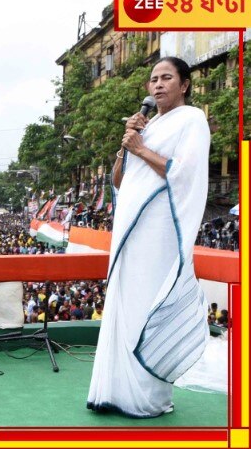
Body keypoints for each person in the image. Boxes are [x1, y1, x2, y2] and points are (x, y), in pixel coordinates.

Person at [88, 56, 211, 418]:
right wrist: (128, 145)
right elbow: (119, 181)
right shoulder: (148, 125)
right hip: (132, 231)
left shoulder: (193, 120)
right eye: (153, 79)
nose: (157, 85)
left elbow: (184, 173)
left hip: (160, 228)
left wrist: (141, 148)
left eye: (166, 78)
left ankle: (148, 399)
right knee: (127, 305)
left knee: (147, 305)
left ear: (184, 84)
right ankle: (116, 392)